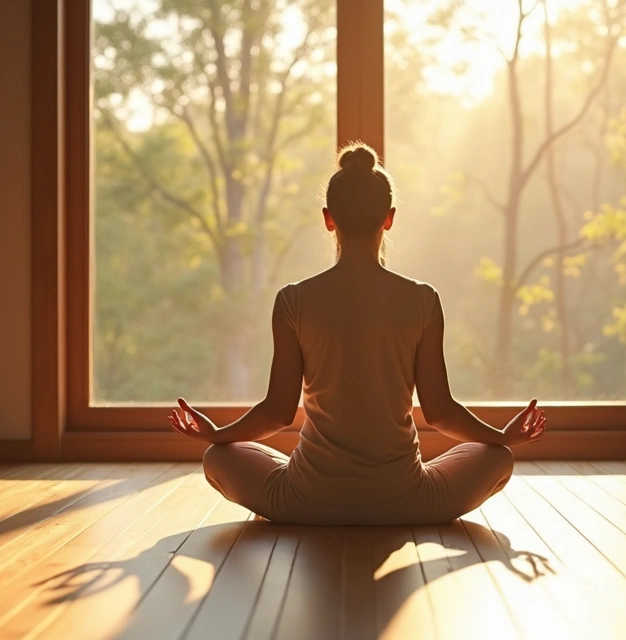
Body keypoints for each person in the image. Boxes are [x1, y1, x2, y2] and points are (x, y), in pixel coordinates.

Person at [168, 142, 546, 526]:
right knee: (498, 458)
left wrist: (217, 433)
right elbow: (440, 412)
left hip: (308, 499)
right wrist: (502, 436)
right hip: (405, 500)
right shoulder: (422, 300)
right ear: (389, 218)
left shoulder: (293, 300)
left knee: (217, 457)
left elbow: (278, 412)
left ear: (329, 219)